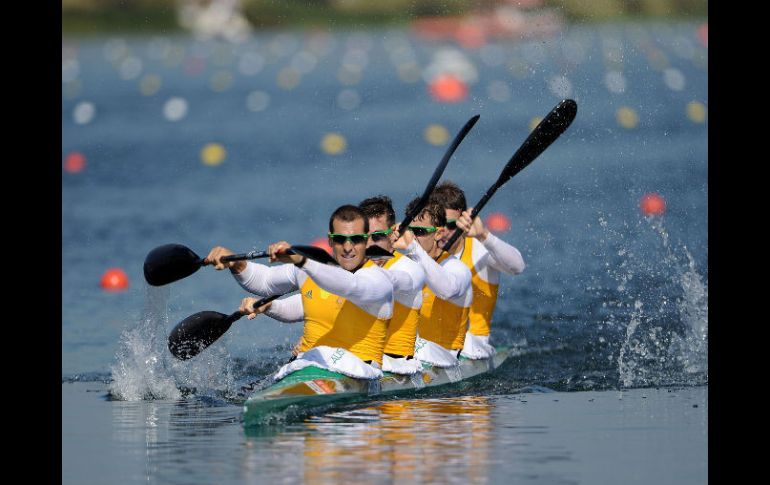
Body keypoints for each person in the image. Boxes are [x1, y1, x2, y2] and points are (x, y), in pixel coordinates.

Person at [205, 204, 394, 381]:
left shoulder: (379, 281)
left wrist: (300, 260)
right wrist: (235, 262)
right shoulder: (311, 270)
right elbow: (265, 281)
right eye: (340, 239)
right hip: (305, 369)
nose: (347, 247)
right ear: (330, 240)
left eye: (356, 239)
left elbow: (349, 286)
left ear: (367, 240)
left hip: (358, 375)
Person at [431, 181, 525, 359]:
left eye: (451, 225)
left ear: (464, 220)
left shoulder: (478, 249)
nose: (443, 232)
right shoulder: (423, 251)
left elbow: (518, 267)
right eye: (438, 225)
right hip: (428, 346)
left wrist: (484, 235)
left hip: (471, 345)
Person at [392, 197, 472, 368]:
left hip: (445, 357)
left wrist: (413, 248)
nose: (414, 237)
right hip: (408, 354)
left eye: (420, 231)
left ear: (439, 233)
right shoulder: (403, 265)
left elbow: (447, 290)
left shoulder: (457, 269)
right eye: (410, 231)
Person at [359, 195, 426, 375]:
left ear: (393, 233)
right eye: (364, 237)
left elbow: (387, 281)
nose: (371, 244)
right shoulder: (354, 267)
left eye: (379, 236)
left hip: (398, 365)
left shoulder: (409, 268)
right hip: (359, 359)